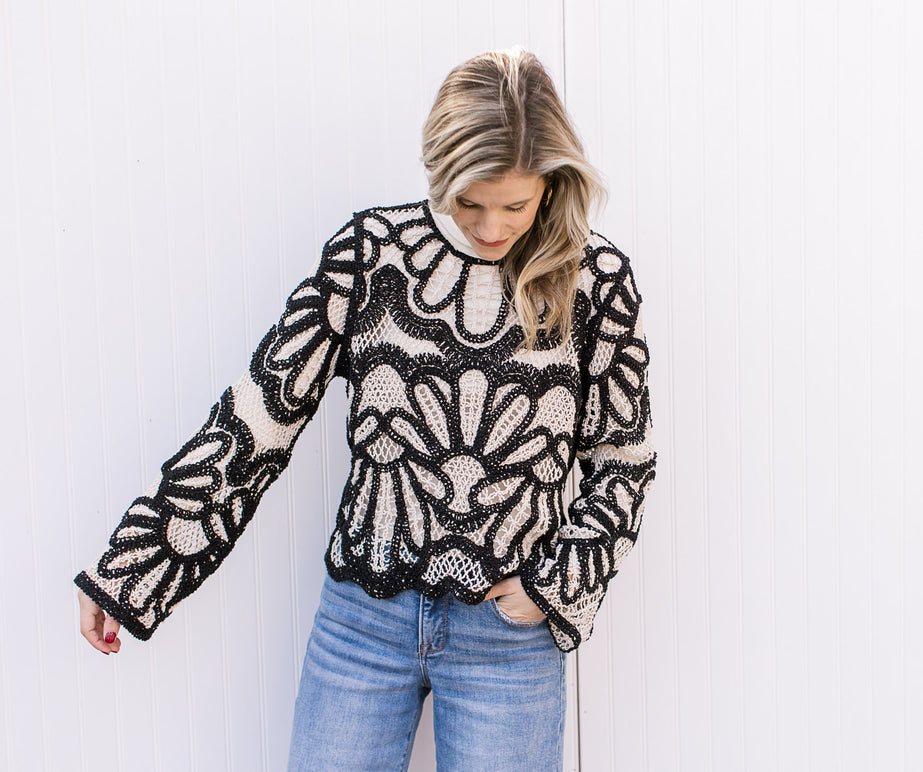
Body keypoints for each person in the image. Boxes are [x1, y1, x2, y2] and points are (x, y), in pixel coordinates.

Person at [75, 48, 656, 770]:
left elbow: (624, 463)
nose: (490, 227)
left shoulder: (595, 280)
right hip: (361, 626)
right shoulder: (371, 255)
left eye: (516, 205)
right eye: (468, 201)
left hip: (509, 642)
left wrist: (557, 587)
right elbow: (259, 419)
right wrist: (132, 569)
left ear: (551, 182)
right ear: (438, 171)